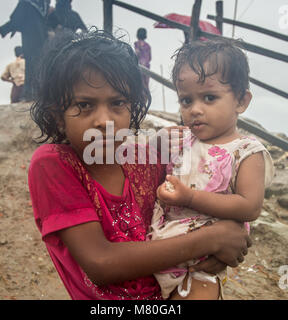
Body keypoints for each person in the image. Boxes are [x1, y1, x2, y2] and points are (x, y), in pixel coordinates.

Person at [28, 30, 252, 300]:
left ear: (132, 106)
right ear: (58, 116)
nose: (104, 120)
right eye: (84, 105)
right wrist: (212, 240)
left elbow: (212, 201)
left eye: (117, 103)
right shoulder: (55, 164)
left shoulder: (147, 159)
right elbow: (100, 262)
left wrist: (226, 243)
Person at [148, 38, 275, 300]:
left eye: (209, 97)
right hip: (158, 251)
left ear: (241, 101)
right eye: (185, 100)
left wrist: (190, 198)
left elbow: (250, 207)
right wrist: (155, 146)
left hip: (200, 267)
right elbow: (147, 169)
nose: (195, 109)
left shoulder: (246, 152)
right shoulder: (179, 140)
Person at [0, 0, 50, 101]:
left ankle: (31, 95)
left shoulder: (26, 2)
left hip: (31, 41)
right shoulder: (43, 4)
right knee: (41, 68)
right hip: (43, 41)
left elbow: (16, 21)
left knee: (32, 67)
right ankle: (42, 95)